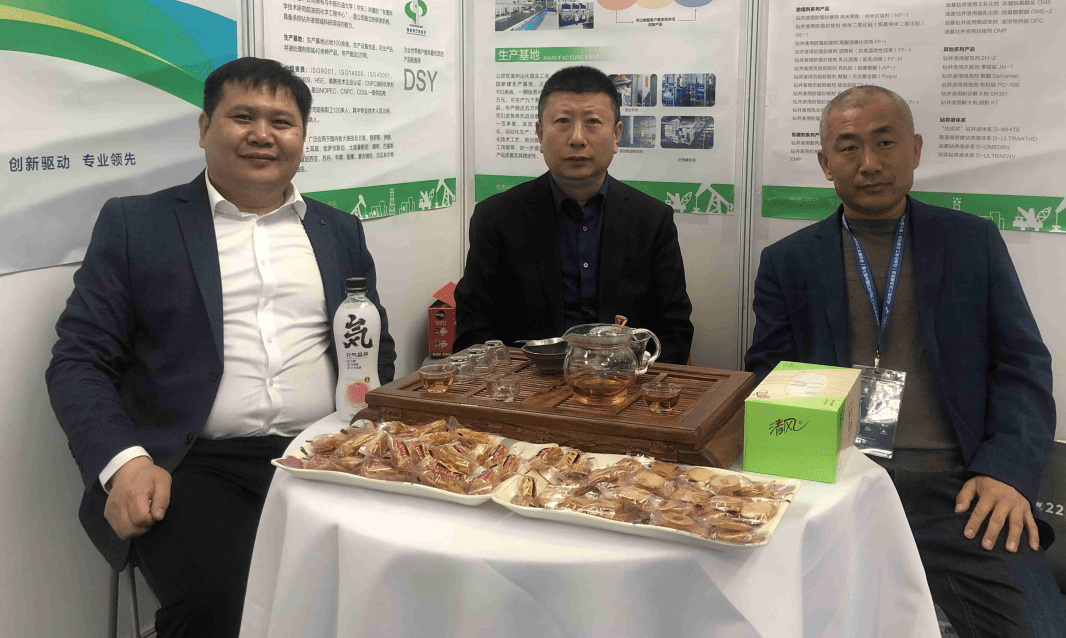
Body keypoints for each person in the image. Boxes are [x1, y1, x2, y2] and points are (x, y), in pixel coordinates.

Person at [46, 57, 396, 638]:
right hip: (194, 463)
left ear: (302, 137)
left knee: (391, 571)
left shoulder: (338, 231)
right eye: (242, 117)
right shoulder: (138, 224)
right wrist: (124, 463)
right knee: (221, 601)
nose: (262, 135)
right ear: (205, 127)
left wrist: (368, 426)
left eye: (281, 122)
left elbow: (371, 344)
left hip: (328, 452)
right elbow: (79, 360)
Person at [745, 85, 1065, 637]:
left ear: (915, 149)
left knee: (1036, 628)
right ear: (825, 163)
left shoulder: (972, 242)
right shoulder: (788, 261)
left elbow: (1022, 365)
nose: (869, 163)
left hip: (957, 488)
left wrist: (1005, 473)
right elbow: (769, 378)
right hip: (835, 481)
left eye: (885, 142)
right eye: (848, 147)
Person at [454, 65, 693, 364]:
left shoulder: (652, 219)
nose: (577, 138)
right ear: (540, 134)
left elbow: (674, 330)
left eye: (592, 122)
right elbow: (473, 331)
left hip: (624, 385)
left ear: (617, 134)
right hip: (528, 382)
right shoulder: (496, 218)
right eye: (563, 122)